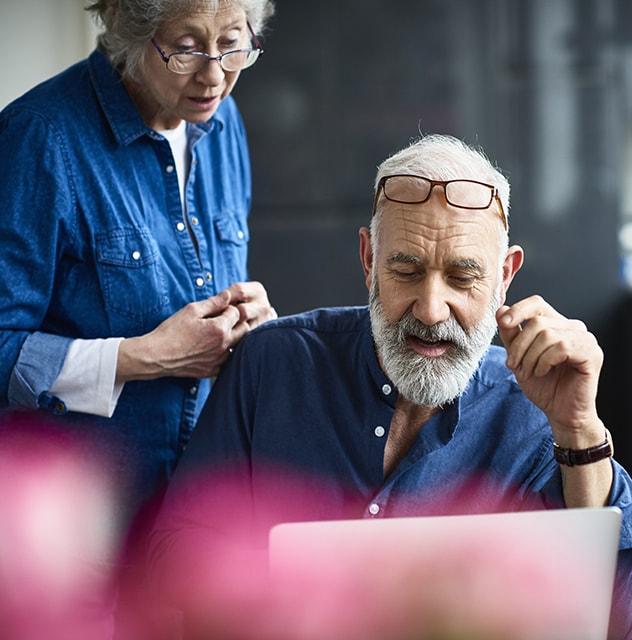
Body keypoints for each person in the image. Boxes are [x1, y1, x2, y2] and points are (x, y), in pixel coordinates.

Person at [149, 133, 632, 636]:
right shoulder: (272, 365)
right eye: (406, 270)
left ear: (505, 276)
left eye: (463, 279)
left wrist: (579, 429)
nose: (430, 309)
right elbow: (172, 555)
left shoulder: (535, 407)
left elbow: (616, 610)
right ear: (368, 262)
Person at [0, 0, 276, 522]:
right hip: (79, 519)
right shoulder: (39, 137)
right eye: (187, 48)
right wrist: (143, 357)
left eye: (233, 43)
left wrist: (250, 324)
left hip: (197, 506)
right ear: (132, 31)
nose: (214, 75)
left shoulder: (224, 123)